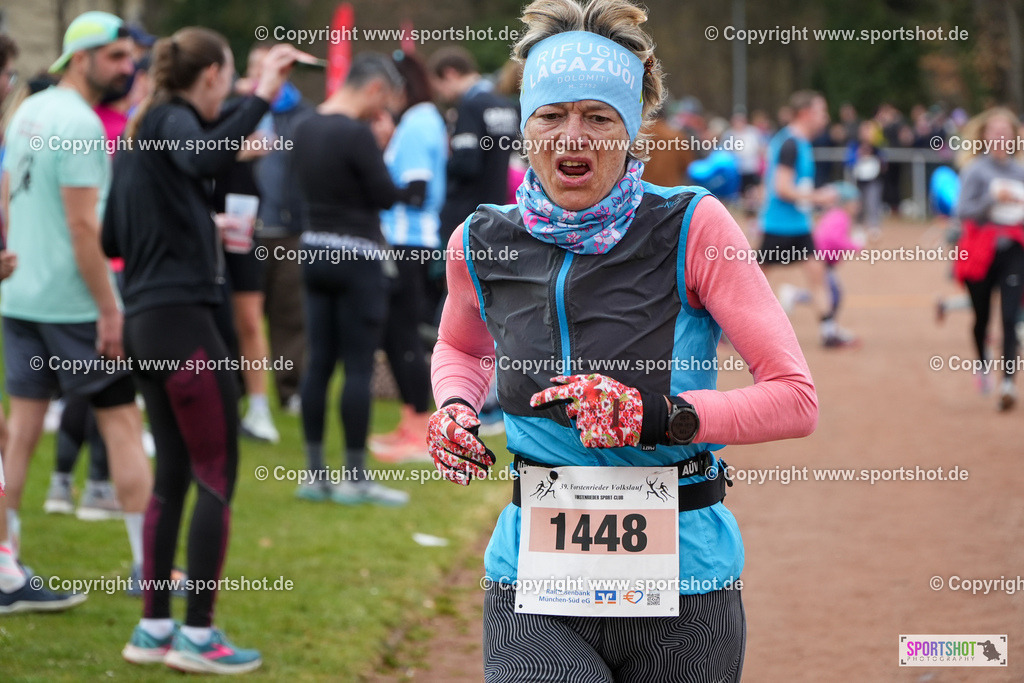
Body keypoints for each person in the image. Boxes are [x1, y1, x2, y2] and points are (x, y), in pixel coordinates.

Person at [427, 1, 818, 680]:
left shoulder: (694, 226)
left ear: (633, 131)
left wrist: (657, 415)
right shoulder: (481, 239)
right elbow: (463, 348)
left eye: (599, 117)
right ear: (526, 126)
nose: (572, 137)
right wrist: (456, 406)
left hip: (686, 581)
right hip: (533, 584)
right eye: (551, 115)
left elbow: (794, 398)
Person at [103, 28, 304, 673]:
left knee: (172, 474)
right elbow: (205, 158)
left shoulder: (142, 131)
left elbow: (114, 229)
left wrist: (195, 225)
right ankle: (198, 636)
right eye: (230, 81)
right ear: (214, 75)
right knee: (215, 474)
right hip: (182, 325)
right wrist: (265, 93)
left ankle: (154, 628)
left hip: (145, 323)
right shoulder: (174, 118)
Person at [0, 9, 152, 595]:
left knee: (21, 433)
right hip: (74, 307)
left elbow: (8, 194)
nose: (127, 66)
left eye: (129, 56)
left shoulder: (27, 110)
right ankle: (151, 569)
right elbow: (84, 228)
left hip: (22, 298)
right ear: (79, 57)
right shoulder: (82, 123)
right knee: (122, 425)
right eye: (115, 56)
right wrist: (109, 310)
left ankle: (7, 571)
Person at [290, 53, 412, 506]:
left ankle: (314, 473)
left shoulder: (303, 126)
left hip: (313, 249)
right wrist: (380, 146)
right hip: (358, 255)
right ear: (376, 89)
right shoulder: (357, 133)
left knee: (319, 361)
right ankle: (356, 478)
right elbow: (384, 195)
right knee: (358, 365)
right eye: (383, 106)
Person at [371, 51, 448, 463]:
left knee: (401, 335)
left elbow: (415, 193)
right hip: (403, 241)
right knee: (395, 334)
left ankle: (420, 430)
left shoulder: (419, 122)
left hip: (408, 243)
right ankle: (411, 423)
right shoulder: (419, 120)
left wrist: (371, 182)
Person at [247, 43, 311, 416]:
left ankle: (291, 391)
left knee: (290, 316)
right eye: (256, 67)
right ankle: (242, 390)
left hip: (289, 229)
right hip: (245, 228)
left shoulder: (303, 115)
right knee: (244, 318)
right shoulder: (238, 112)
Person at [759, 90, 851, 347]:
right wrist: (818, 197)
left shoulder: (800, 143)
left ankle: (829, 331)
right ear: (806, 113)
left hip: (799, 225)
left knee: (817, 275)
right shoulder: (789, 143)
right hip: (779, 225)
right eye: (822, 111)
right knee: (754, 282)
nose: (826, 118)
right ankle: (721, 329)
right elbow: (782, 187)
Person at [954, 107, 1024, 411]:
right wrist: (993, 199)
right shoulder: (975, 171)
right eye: (995, 131)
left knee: (1010, 317)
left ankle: (1008, 383)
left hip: (1014, 251)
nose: (1001, 136)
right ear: (984, 136)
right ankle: (983, 364)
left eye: (1006, 131)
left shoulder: (1021, 171)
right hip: (980, 253)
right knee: (981, 316)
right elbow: (963, 212)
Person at [427, 47, 520, 249]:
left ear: (450, 74)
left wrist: (445, 160)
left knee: (454, 280)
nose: (441, 94)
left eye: (439, 86)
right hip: (497, 214)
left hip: (464, 220)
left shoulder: (470, 106)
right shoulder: (505, 105)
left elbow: (466, 163)